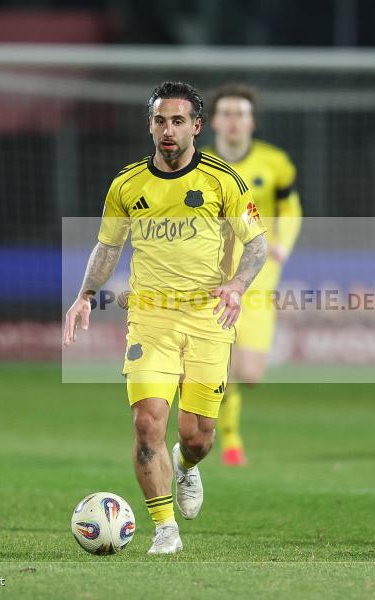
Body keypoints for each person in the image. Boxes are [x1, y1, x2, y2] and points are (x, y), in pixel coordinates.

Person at [62, 81, 267, 554]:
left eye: (178, 121)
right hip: (150, 317)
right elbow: (108, 246)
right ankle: (165, 529)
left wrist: (236, 286)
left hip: (207, 318)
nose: (168, 130)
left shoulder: (223, 181)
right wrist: (85, 294)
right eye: (160, 121)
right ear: (150, 126)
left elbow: (256, 244)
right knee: (147, 422)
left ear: (196, 126)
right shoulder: (127, 185)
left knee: (197, 437)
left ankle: (187, 466)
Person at [204, 83, 302, 466]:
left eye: (241, 114)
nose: (234, 121)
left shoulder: (274, 162)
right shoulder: (200, 166)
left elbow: (290, 209)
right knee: (223, 365)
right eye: (226, 113)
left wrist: (283, 245)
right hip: (216, 276)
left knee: (251, 373)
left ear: (252, 122)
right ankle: (230, 440)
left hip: (260, 277)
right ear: (212, 122)